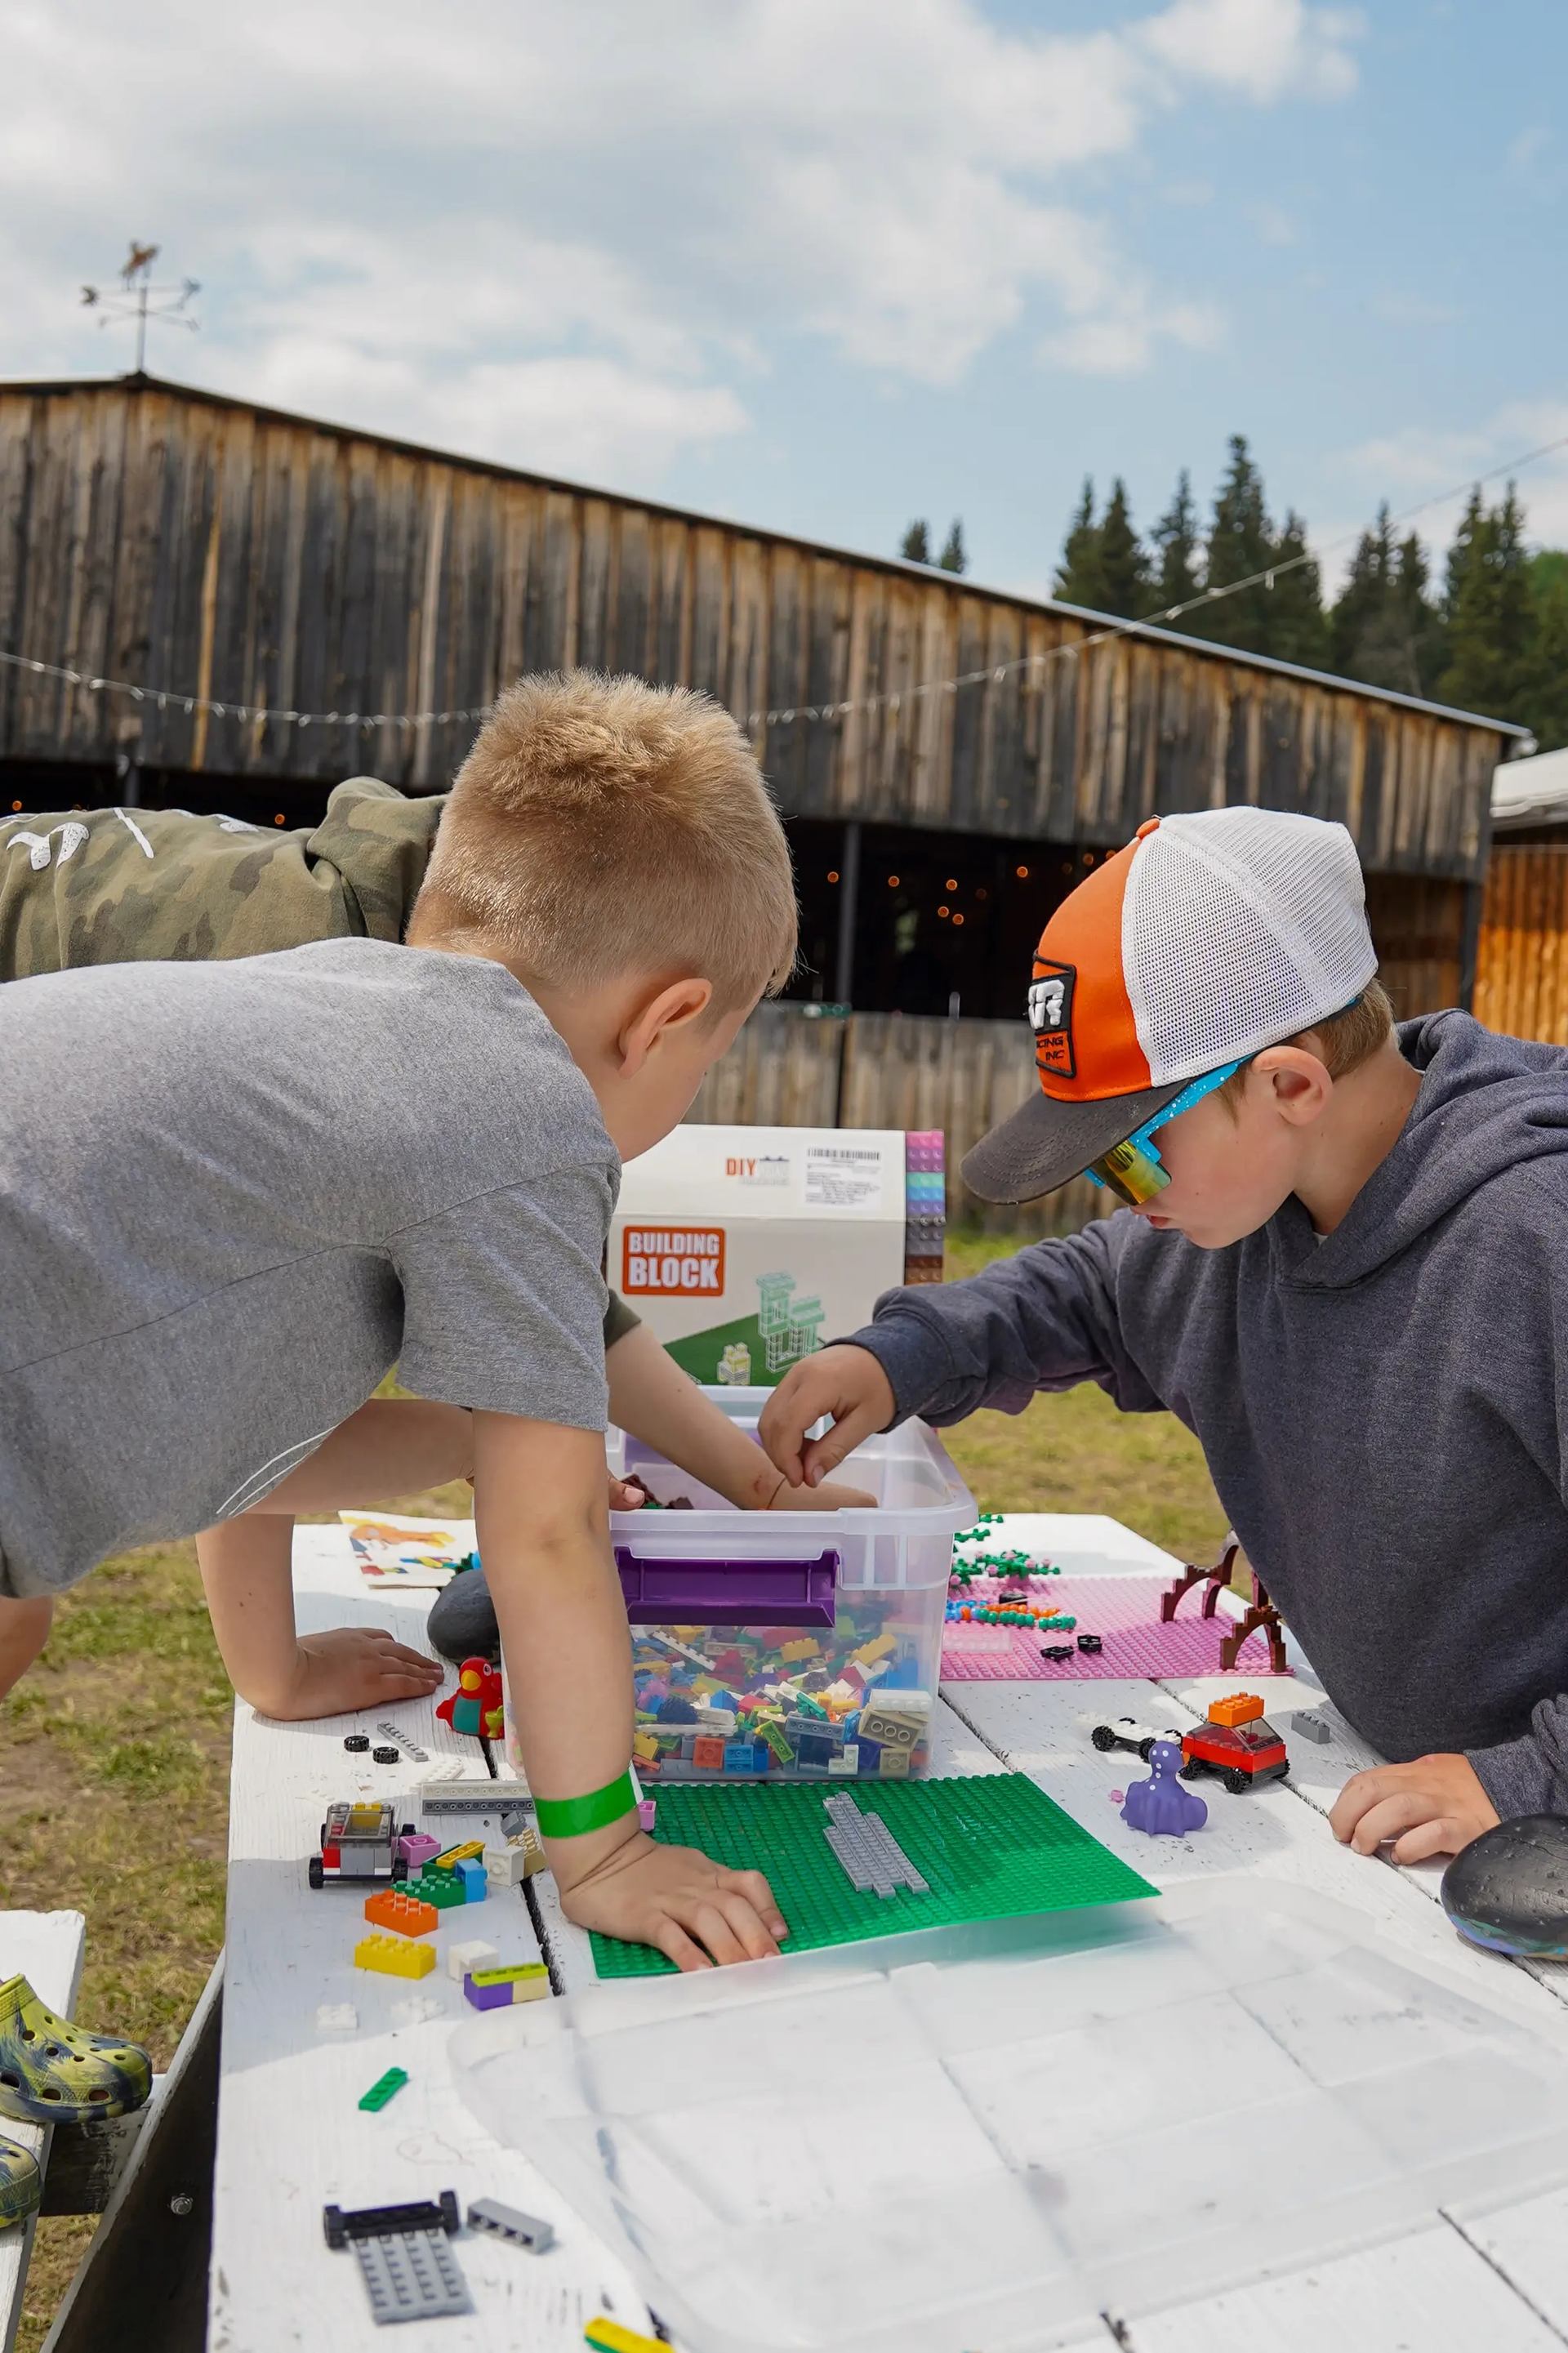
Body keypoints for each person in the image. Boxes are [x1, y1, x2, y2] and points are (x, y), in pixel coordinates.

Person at [1, 671, 808, 1968]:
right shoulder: (527, 1119)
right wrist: (604, 1847)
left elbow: (211, 1440)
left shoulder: (335, 1014)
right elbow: (545, 1536)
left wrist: (477, 1436)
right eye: (708, 1065)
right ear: (666, 1020)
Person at [760, 804, 1568, 1864]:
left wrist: (1532, 1775)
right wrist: (899, 1353)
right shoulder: (1246, 1221)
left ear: (1290, 1085)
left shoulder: (1534, 1229)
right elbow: (1085, 1291)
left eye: (1129, 1154)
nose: (1115, 1191)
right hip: (1408, 1798)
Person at [0, 762, 871, 1698]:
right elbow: (237, 1380)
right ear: (662, 1020)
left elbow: (564, 1301)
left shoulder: (476, 969)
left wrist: (756, 1486)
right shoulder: (343, 1032)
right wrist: (276, 1671)